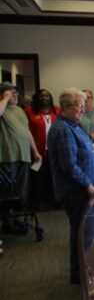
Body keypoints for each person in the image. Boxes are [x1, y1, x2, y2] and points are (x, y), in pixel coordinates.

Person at [47, 87, 94, 284]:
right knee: (81, 233)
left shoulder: (72, 125)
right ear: (66, 106)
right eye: (80, 105)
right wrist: (89, 185)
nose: (84, 109)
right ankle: (78, 274)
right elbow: (68, 165)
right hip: (77, 192)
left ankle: (80, 271)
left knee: (84, 232)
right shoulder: (63, 129)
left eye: (84, 105)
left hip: (83, 189)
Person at [0, 83, 42, 234]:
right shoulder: (2, 108)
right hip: (8, 156)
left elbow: (27, 131)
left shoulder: (20, 110)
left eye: (16, 93)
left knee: (21, 190)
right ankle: (8, 222)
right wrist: (5, 98)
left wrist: (35, 151)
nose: (15, 95)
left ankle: (16, 218)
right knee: (9, 190)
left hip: (24, 155)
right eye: (11, 93)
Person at [24, 89, 61, 208]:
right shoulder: (29, 111)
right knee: (37, 177)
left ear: (50, 98)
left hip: (54, 151)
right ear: (37, 98)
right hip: (37, 151)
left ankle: (53, 201)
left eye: (46, 96)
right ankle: (36, 203)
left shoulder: (57, 111)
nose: (44, 98)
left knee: (53, 176)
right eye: (41, 96)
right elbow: (25, 130)